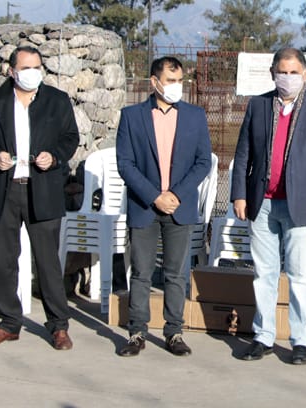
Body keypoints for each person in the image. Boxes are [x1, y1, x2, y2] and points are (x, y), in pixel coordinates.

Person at [231, 47, 306, 365]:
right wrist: (239, 194)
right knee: (263, 274)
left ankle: (300, 341)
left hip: (302, 207)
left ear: (305, 73)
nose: (288, 78)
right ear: (272, 73)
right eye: (282, 72)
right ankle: (263, 337)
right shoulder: (258, 105)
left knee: (300, 276)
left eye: (294, 72)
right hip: (262, 204)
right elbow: (243, 155)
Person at [0, 45, 79, 350]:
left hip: (42, 187)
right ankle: (8, 323)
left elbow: (70, 137)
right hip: (4, 188)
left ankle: (58, 326)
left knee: (47, 261)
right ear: (11, 70)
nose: (33, 73)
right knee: (4, 260)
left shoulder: (56, 100)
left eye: (37, 67)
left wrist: (54, 157)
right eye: (27, 67)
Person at [115, 56, 213, 357]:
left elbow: (202, 162)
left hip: (179, 207)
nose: (176, 87)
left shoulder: (195, 116)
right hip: (144, 206)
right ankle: (137, 332)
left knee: (176, 273)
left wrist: (176, 194)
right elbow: (126, 163)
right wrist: (153, 195)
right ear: (154, 82)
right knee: (142, 272)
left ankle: (174, 332)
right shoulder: (132, 116)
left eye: (180, 81)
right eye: (170, 81)